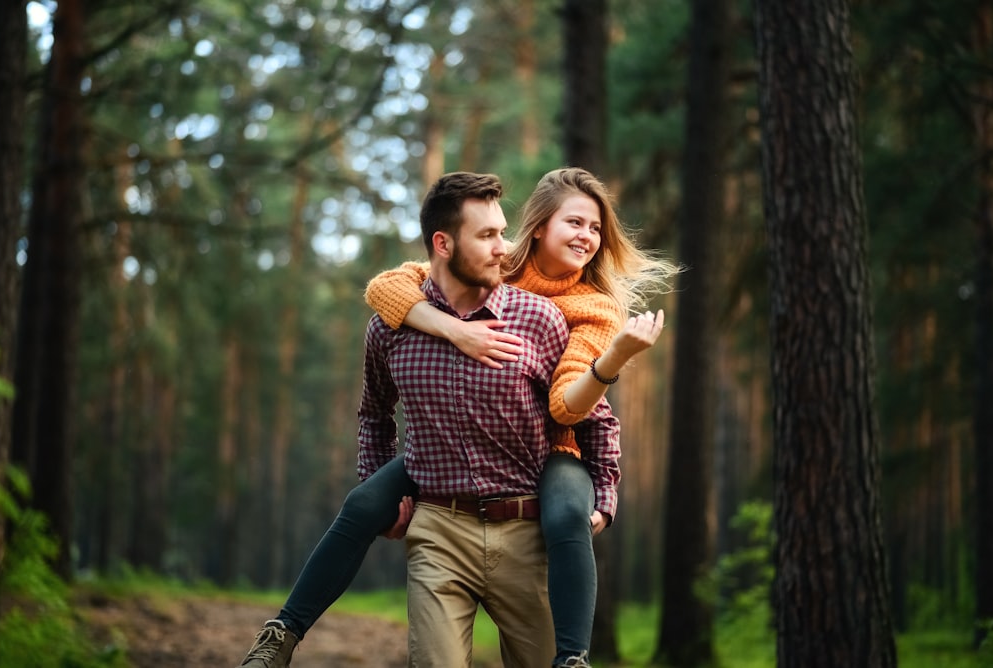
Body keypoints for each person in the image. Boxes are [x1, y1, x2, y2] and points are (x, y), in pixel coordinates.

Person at [236, 167, 675, 668]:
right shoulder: (493, 266)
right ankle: (283, 633)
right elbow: (387, 289)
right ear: (537, 229)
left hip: (548, 453)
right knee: (362, 504)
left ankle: (573, 658)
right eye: (575, 223)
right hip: (440, 482)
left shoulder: (580, 310)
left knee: (567, 517)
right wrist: (453, 329)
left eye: (595, 228)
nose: (588, 237)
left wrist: (606, 469)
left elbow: (573, 409)